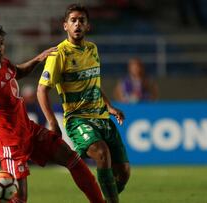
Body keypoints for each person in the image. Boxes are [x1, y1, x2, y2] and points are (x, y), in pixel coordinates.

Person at [0, 24, 105, 203]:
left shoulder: (3, 63)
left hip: (28, 130)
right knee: (18, 199)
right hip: (11, 142)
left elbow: (18, 72)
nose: (0, 49)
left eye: (1, 44)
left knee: (72, 158)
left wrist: (38, 59)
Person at [37, 4, 130, 203]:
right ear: (65, 26)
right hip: (78, 120)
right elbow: (41, 90)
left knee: (124, 173)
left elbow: (94, 84)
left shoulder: (92, 49)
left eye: (82, 20)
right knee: (102, 152)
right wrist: (53, 122)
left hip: (102, 118)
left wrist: (109, 106)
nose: (77, 24)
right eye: (73, 20)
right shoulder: (58, 55)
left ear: (88, 26)